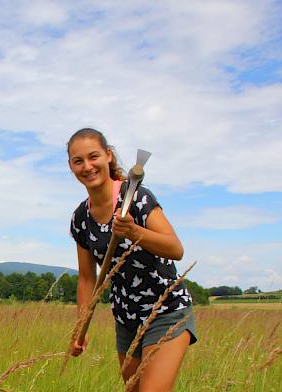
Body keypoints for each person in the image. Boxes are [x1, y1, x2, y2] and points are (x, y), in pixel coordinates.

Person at [66, 128, 196, 391]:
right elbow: (87, 277)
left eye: (94, 157)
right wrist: (81, 326)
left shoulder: (136, 197)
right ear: (71, 166)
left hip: (166, 309)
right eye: (78, 161)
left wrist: (134, 232)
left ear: (108, 156)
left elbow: (175, 248)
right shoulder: (81, 218)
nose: (87, 167)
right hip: (126, 317)